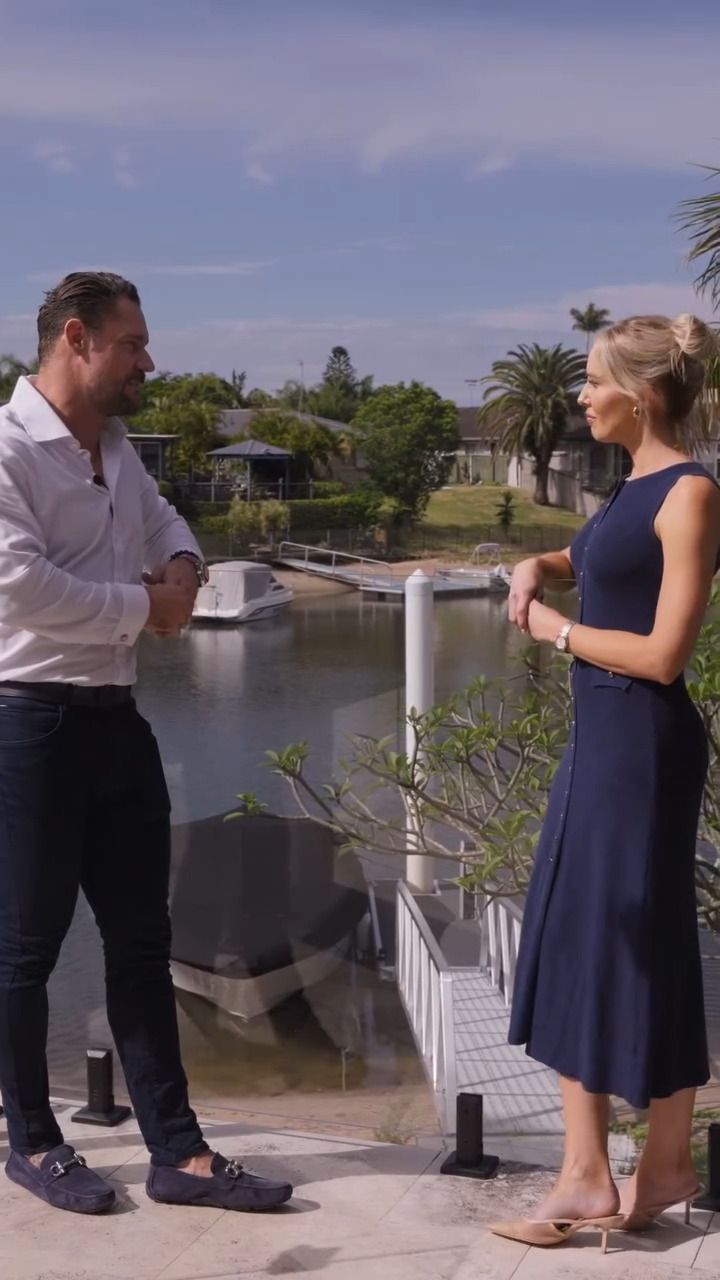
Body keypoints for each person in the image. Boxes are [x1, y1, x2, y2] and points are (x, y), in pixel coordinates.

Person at [0, 271, 293, 1215]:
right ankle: (33, 1142)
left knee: (141, 941)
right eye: (132, 344)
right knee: (25, 950)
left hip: (116, 722)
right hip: (28, 723)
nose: (149, 361)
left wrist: (184, 568)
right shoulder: (7, 449)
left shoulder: (118, 447)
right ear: (75, 338)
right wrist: (146, 606)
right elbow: (18, 588)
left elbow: (166, 522)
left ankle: (179, 1153)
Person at [489, 313, 720, 1253]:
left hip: (644, 749)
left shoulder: (691, 492)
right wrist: (531, 564)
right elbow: (585, 561)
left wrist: (556, 632)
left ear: (643, 393)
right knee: (576, 933)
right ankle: (610, 1170)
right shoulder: (628, 488)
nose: (581, 397)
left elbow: (665, 654)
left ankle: (634, 1167)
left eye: (593, 381)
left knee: (633, 940)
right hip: (603, 744)